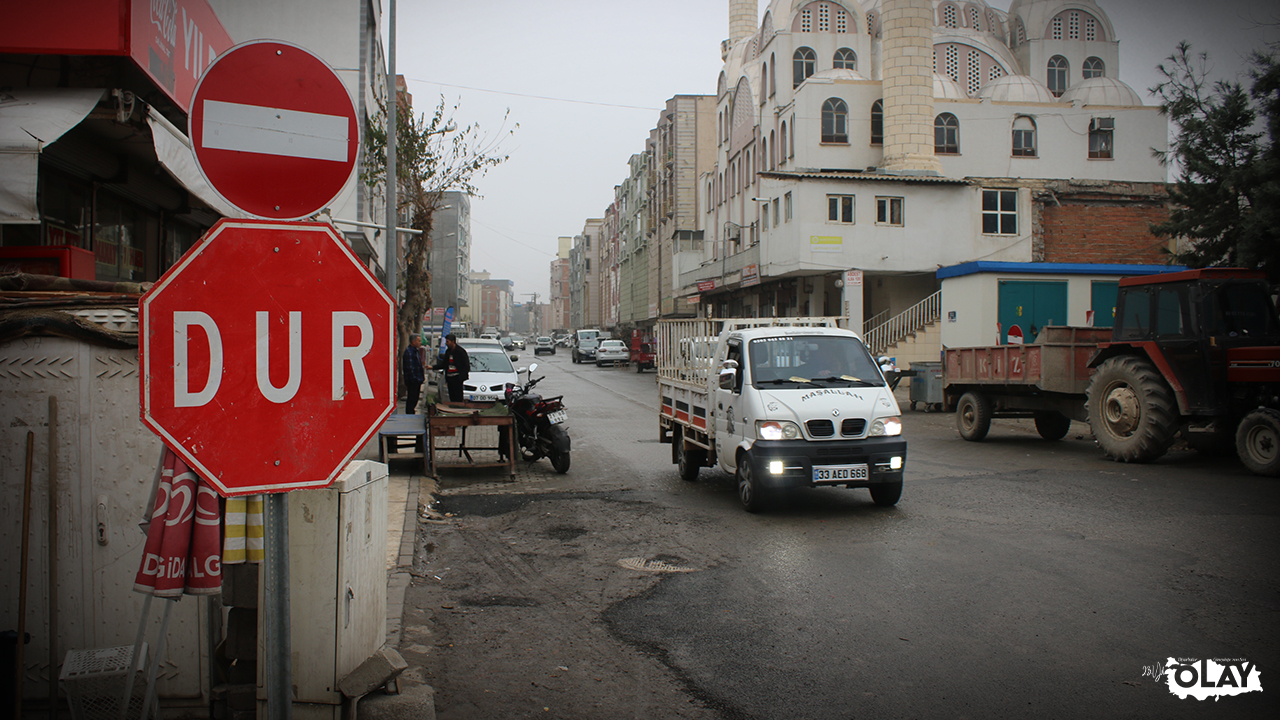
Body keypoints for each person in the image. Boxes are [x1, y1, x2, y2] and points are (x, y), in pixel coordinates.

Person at [434, 333, 470, 403]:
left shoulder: (460, 352)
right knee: (451, 396)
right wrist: (433, 367)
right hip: (450, 378)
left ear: (453, 341)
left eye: (448, 341)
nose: (446, 343)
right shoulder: (448, 352)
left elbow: (466, 366)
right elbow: (444, 364)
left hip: (457, 378)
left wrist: (461, 377)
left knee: (458, 397)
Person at [402, 335, 426, 414]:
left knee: (415, 398)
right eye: (418, 341)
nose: (420, 343)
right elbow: (410, 368)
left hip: (417, 380)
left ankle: (412, 411)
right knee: (412, 398)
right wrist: (415, 379)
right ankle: (409, 413)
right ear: (413, 342)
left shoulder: (416, 351)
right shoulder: (409, 352)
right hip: (413, 381)